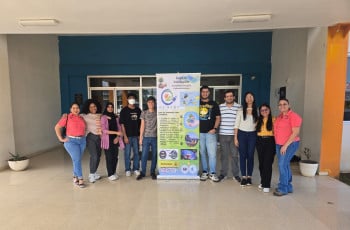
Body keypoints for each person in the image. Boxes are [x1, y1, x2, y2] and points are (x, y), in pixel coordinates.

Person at [273, 98, 302, 196]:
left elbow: (295, 133)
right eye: (280, 104)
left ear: (289, 105)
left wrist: (285, 146)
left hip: (289, 144)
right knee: (285, 164)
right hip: (279, 144)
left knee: (281, 165)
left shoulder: (294, 116)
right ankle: (288, 186)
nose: (282, 106)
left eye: (284, 104)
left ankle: (283, 188)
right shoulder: (279, 117)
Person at [54, 102, 87, 188]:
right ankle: (80, 179)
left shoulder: (81, 118)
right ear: (70, 109)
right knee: (77, 160)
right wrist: (61, 139)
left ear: (79, 109)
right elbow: (57, 127)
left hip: (82, 141)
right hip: (71, 141)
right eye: (73, 108)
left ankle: (74, 176)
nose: (76, 110)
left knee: (77, 160)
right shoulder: (67, 117)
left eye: (77, 108)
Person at [234, 92, 258, 187]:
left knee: (251, 156)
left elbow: (259, 123)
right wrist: (235, 138)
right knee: (243, 156)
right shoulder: (240, 110)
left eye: (251, 96)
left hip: (252, 134)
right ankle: (244, 177)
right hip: (241, 134)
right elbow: (236, 124)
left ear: (253, 98)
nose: (249, 98)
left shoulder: (257, 110)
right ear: (245, 99)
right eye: (247, 97)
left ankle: (249, 177)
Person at [218, 90, 242, 183]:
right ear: (225, 98)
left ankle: (236, 175)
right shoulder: (220, 107)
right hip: (223, 134)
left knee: (235, 155)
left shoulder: (239, 107)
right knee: (224, 155)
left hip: (234, 136)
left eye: (231, 96)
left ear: (234, 97)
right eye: (227, 96)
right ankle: (223, 174)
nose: (229, 98)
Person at [199, 85, 221, 182]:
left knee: (212, 154)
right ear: (200, 93)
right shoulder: (196, 103)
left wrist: (215, 129)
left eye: (206, 91)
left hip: (210, 133)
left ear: (209, 93)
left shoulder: (214, 104)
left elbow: (218, 118)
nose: (205, 93)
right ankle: (205, 171)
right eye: (203, 91)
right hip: (199, 133)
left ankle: (212, 173)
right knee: (202, 153)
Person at [119, 93, 142, 177]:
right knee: (127, 153)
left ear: (135, 100)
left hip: (136, 136)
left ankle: (136, 168)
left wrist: (140, 135)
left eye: (133, 98)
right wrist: (124, 136)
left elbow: (140, 124)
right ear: (128, 100)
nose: (132, 99)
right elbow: (122, 124)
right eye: (130, 98)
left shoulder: (138, 110)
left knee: (136, 153)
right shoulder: (124, 110)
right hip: (127, 136)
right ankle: (127, 169)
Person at [101, 102, 124, 181]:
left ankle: (114, 172)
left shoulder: (116, 117)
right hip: (108, 140)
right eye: (108, 107)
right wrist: (116, 133)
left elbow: (119, 128)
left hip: (115, 139)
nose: (110, 108)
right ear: (106, 108)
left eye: (112, 107)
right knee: (109, 157)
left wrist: (117, 137)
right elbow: (104, 130)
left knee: (115, 157)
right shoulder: (103, 117)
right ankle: (110, 174)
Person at [81, 99, 103, 183]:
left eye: (94, 106)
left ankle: (95, 172)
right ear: (88, 108)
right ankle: (91, 174)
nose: (93, 108)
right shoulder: (84, 115)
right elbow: (74, 116)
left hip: (99, 137)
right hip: (90, 137)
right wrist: (65, 115)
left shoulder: (100, 115)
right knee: (94, 156)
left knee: (99, 156)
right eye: (91, 107)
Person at [256, 103, 276, 193]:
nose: (264, 111)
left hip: (270, 142)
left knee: (267, 164)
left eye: (266, 110)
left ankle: (267, 184)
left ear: (269, 110)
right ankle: (263, 181)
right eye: (262, 110)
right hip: (260, 142)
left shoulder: (274, 120)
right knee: (261, 164)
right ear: (260, 112)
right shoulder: (258, 120)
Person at [137, 96, 157, 180]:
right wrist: (141, 138)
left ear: (154, 103)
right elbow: (142, 126)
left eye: (152, 102)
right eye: (149, 102)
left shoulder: (157, 113)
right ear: (147, 103)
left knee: (154, 155)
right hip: (146, 137)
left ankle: (152, 172)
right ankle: (143, 172)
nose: (150, 104)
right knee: (144, 155)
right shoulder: (144, 113)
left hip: (155, 137)